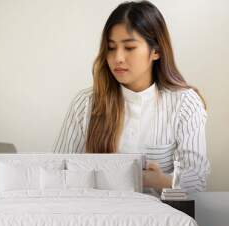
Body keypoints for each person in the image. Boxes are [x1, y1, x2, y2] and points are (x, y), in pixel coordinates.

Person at [52, 1, 210, 193]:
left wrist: (161, 181)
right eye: (111, 47)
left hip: (160, 220)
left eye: (129, 47)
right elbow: (57, 173)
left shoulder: (185, 104)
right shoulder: (85, 104)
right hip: (96, 217)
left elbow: (197, 181)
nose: (118, 57)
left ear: (156, 51)